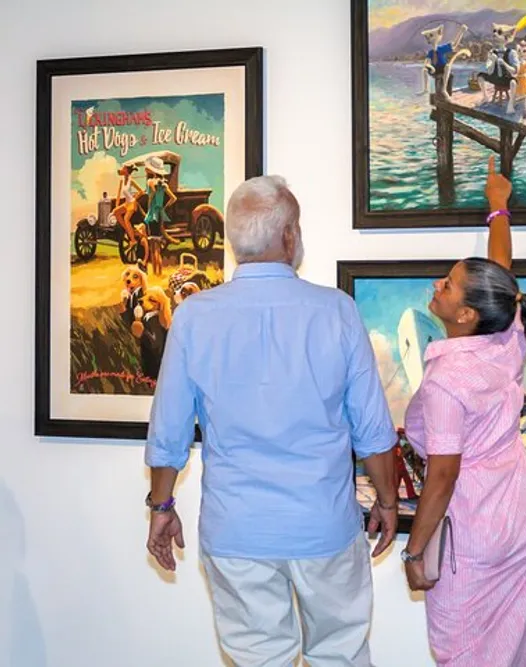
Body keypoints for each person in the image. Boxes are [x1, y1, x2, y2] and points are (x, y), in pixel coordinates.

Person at [143, 175, 399, 666]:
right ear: (288, 236)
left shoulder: (194, 316)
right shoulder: (337, 312)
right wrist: (387, 501)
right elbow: (373, 429)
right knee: (340, 655)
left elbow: (168, 430)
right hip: (323, 525)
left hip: (238, 531)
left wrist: (161, 505)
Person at [401, 156, 526, 666]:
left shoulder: (446, 381)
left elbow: (442, 475)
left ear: (466, 315)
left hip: (474, 533)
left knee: (459, 654)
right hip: (520, 519)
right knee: (509, 650)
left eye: (447, 285)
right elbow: (503, 275)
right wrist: (498, 208)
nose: (437, 286)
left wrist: (416, 551)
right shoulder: (506, 334)